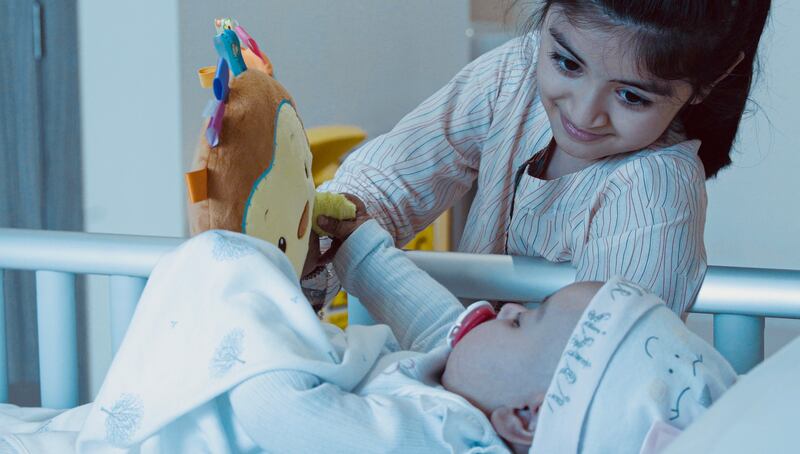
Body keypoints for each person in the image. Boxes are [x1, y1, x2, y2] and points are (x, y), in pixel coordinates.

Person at [306, 0, 772, 317]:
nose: (584, 113)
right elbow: (386, 184)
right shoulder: (515, 72)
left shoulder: (654, 190)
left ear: (709, 82)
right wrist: (308, 241)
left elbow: (598, 370)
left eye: (632, 96)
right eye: (567, 63)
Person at [228, 211, 736, 453]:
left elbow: (275, 410)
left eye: (522, 321)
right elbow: (440, 326)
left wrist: (251, 295)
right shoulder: (476, 403)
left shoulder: (443, 440)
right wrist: (357, 245)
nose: (509, 306)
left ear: (527, 416)